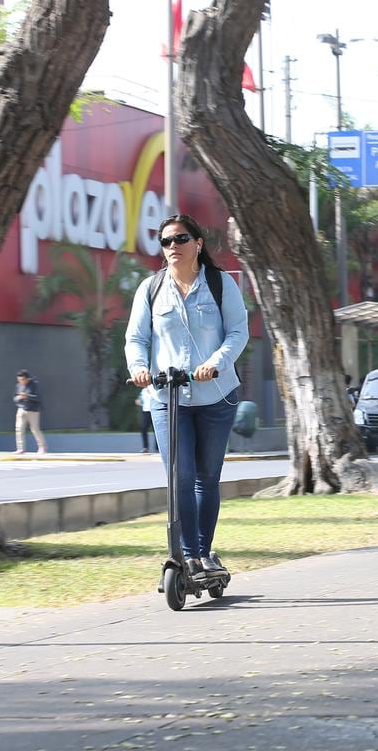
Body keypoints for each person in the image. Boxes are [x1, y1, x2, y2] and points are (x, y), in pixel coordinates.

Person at [125, 214, 248, 579]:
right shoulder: (150, 288)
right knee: (180, 476)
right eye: (166, 242)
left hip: (215, 395)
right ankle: (189, 556)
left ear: (198, 243)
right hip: (167, 398)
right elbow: (136, 339)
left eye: (180, 239)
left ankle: (205, 552)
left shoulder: (220, 284)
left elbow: (238, 332)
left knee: (206, 478)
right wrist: (138, 369)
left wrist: (216, 362)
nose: (172, 247)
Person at [13, 369, 47, 455]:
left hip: (33, 410)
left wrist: (27, 396)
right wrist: (18, 399)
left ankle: (42, 447)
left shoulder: (34, 385)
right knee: (19, 428)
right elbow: (15, 398)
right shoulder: (18, 386)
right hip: (21, 409)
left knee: (35, 429)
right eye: (19, 380)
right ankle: (20, 449)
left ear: (27, 378)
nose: (21, 381)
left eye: (23, 379)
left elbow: (38, 398)